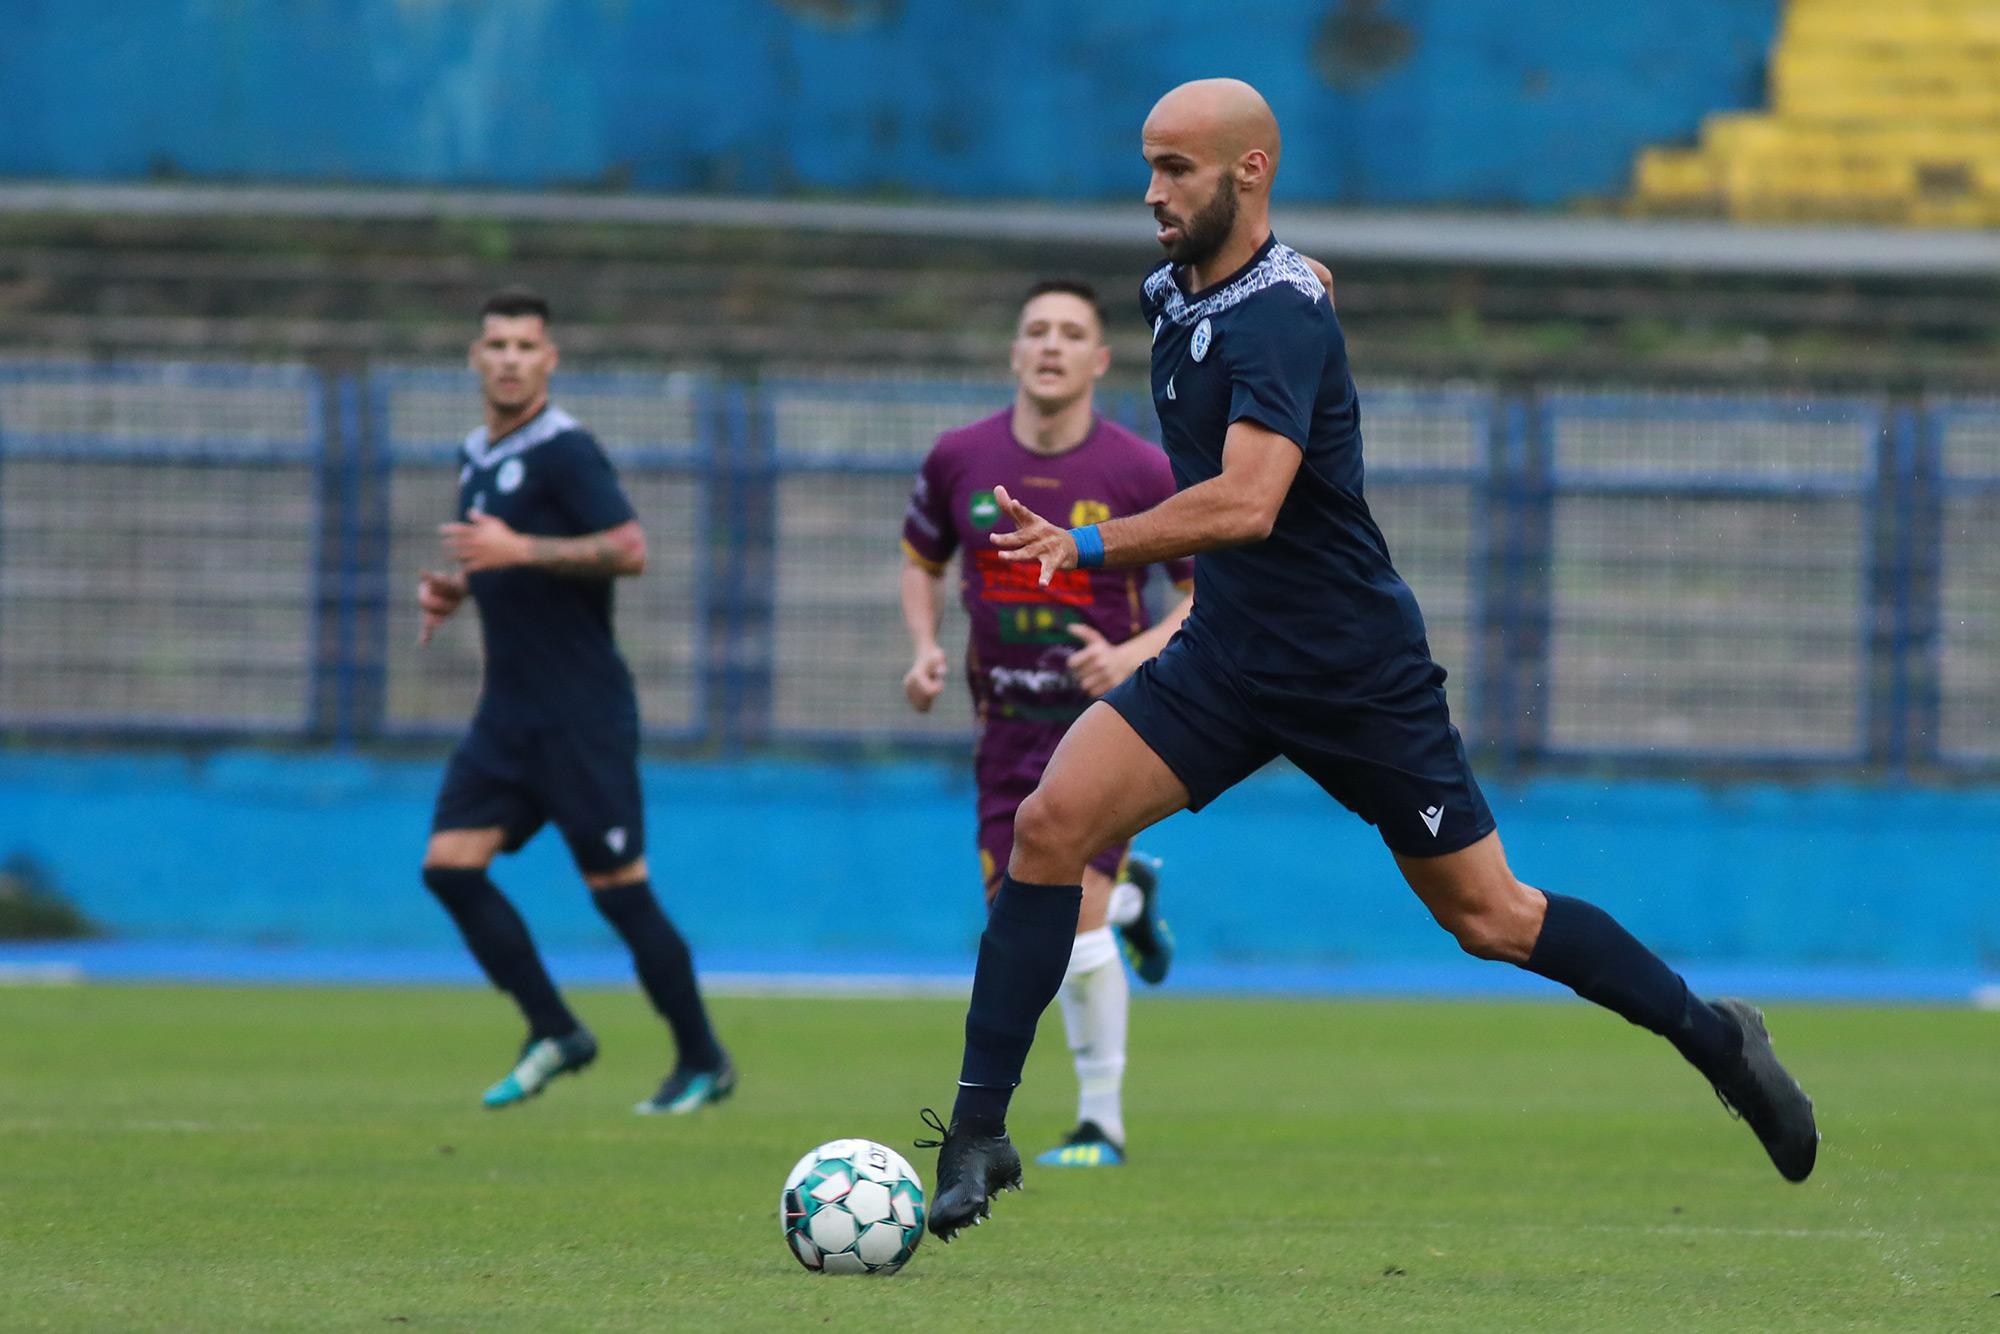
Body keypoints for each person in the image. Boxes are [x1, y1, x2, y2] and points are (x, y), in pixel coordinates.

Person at [920, 79, 1819, 1241]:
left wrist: (1085, 542)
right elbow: (1273, 291)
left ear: (1248, 170)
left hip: (1352, 668)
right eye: (1147, 165)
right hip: (1229, 658)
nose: (1151, 192)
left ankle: (1714, 1036)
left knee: (1490, 916)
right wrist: (1293, 272)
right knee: (1047, 827)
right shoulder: (1179, 289)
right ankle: (980, 1128)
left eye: (1176, 168)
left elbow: (1246, 503)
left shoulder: (1279, 312)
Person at [416, 287, 733, 1115]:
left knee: (619, 891)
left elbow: (629, 548)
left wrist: (519, 548)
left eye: (527, 346)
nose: (511, 359)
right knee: (449, 867)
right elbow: (503, 563)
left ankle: (702, 1058)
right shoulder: (474, 453)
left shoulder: (566, 450)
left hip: (581, 715)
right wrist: (459, 585)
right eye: (497, 345)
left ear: (549, 360)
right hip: (507, 714)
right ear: (476, 358)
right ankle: (554, 1028)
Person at [901, 279, 1193, 1168]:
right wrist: (922, 646)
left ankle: (1100, 1124)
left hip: (1111, 724)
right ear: (1016, 353)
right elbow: (921, 559)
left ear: (1101, 361)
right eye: (1038, 331)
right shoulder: (960, 457)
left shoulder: (1141, 470)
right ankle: (1138, 896)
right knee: (1021, 926)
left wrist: (1130, 656)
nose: (1053, 346)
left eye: (1073, 333)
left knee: (1078, 923)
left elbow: (1204, 596)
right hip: (1005, 730)